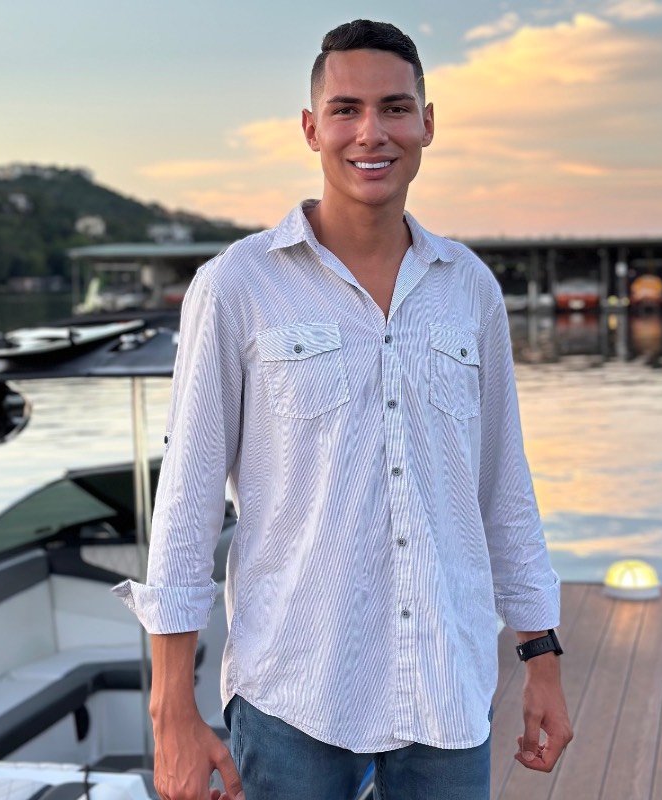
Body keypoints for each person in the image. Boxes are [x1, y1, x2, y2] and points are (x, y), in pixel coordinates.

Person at [114, 18, 572, 800]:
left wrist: (542, 658)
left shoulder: (470, 289)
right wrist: (172, 713)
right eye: (346, 110)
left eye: (395, 108)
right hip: (294, 695)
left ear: (428, 122)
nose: (371, 133)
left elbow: (503, 490)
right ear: (310, 128)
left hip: (448, 688)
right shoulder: (237, 287)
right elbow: (187, 504)